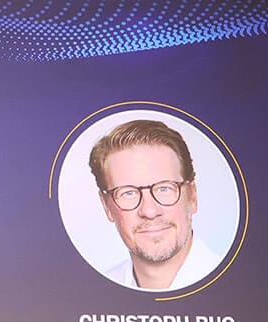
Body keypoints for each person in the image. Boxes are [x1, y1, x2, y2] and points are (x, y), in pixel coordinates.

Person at [87, 119, 223, 291]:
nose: (149, 211)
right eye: (128, 193)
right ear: (107, 206)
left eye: (164, 189)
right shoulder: (94, 294)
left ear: (192, 196)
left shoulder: (242, 287)